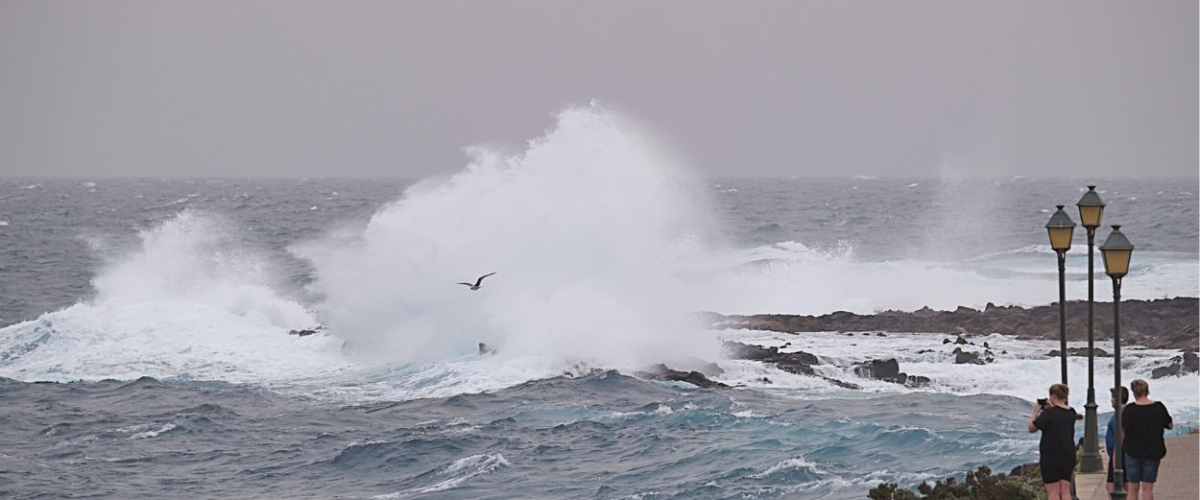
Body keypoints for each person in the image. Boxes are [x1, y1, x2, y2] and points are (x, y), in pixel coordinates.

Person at [1122, 378, 1173, 500]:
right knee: (1148, 487)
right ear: (1147, 391)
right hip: (1153, 451)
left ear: (1134, 393)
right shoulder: (1158, 407)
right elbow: (1169, 425)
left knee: (1132, 487)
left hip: (1132, 451)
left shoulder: (1129, 410)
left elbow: (1123, 430)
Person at [1028, 383, 1077, 500]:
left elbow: (1032, 428)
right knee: (1065, 492)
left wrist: (1035, 412)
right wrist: (1051, 407)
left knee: (1053, 492)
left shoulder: (1048, 414)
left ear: (1053, 396)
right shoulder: (1072, 412)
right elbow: (1059, 416)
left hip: (1051, 456)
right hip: (1068, 455)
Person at [1106, 386, 1129, 495]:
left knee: (1112, 488)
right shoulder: (1127, 412)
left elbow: (1120, 435)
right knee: (1126, 485)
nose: (1111, 400)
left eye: (1112, 397)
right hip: (1124, 454)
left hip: (1119, 455)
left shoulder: (1119, 415)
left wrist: (1115, 456)